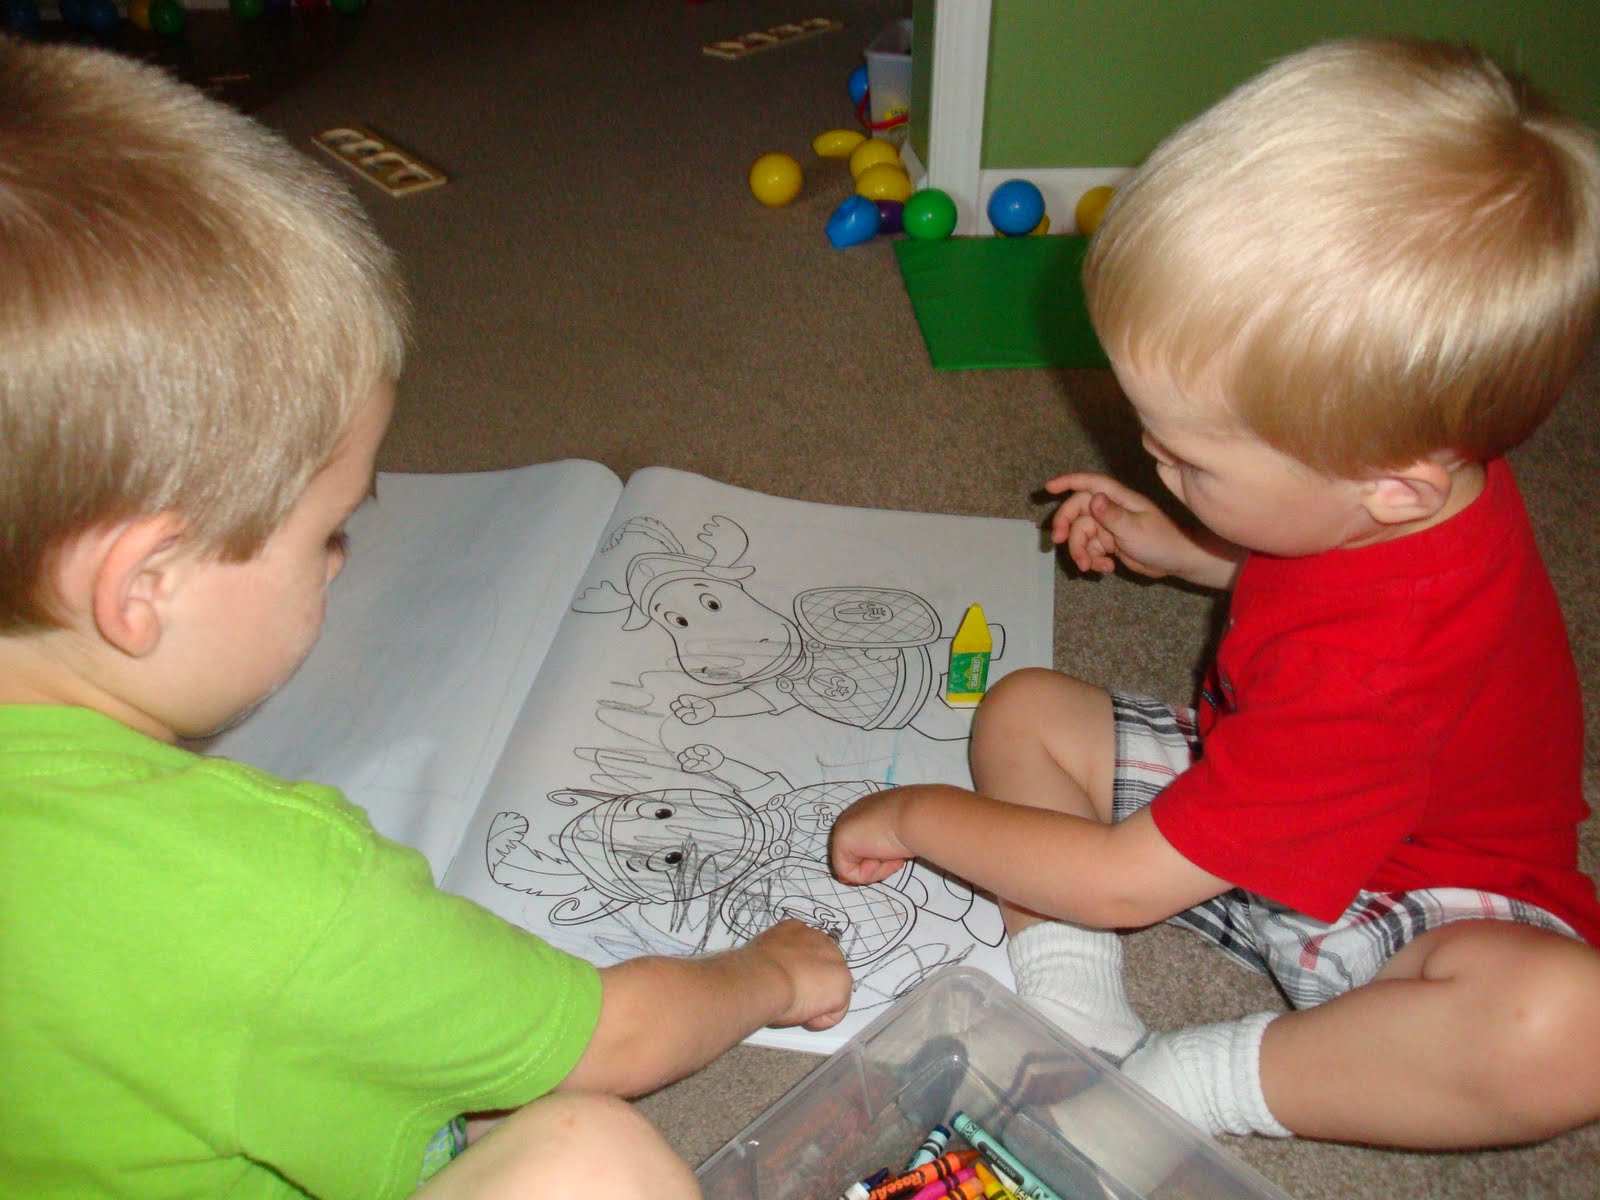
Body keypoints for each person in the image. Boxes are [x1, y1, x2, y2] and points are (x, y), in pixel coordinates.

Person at [0, 37, 852, 1200]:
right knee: (588, 1154)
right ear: (143, 587)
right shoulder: (277, 896)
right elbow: (613, 1038)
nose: (345, 559)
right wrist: (770, 974)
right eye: (328, 530)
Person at [829, 36, 1600, 1149]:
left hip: (1416, 904)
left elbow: (1122, 884)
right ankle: (1076, 1016)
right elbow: (1336, 575)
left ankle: (1182, 1085)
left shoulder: (1364, 679)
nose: (1151, 462)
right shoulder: (1412, 484)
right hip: (1256, 793)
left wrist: (915, 816)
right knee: (1026, 709)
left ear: (1392, 484)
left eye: (1189, 460)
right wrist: (1200, 549)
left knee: (1561, 1029)